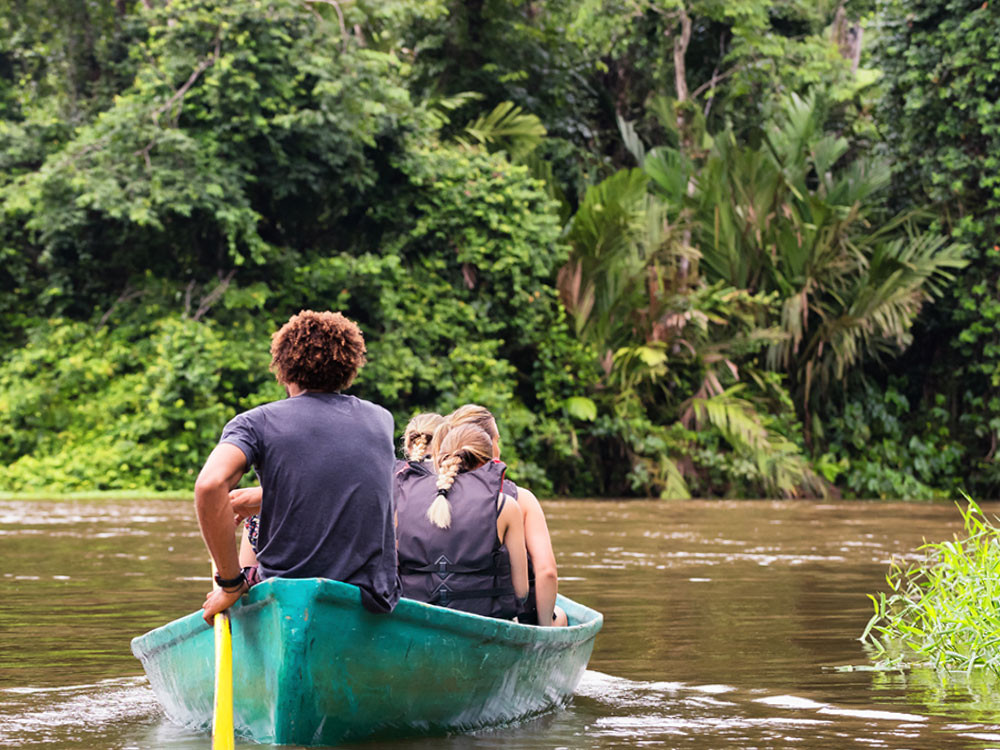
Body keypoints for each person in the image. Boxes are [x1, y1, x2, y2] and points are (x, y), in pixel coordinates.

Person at [195, 310, 400, 623]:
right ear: (349, 366)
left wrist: (230, 583)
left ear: (283, 368)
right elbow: (344, 479)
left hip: (286, 590)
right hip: (367, 595)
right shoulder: (380, 420)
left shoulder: (255, 423)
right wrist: (268, 496)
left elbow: (210, 485)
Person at [435, 404, 567, 627]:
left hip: (434, 611)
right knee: (560, 615)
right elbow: (547, 572)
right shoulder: (520, 499)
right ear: (487, 445)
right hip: (501, 617)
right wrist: (546, 629)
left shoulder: (430, 495)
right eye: (497, 439)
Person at [395, 423, 528, 619]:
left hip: (415, 621)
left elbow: (391, 571)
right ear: (487, 461)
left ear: (441, 458)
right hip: (484, 623)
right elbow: (521, 591)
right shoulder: (505, 506)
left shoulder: (402, 498)